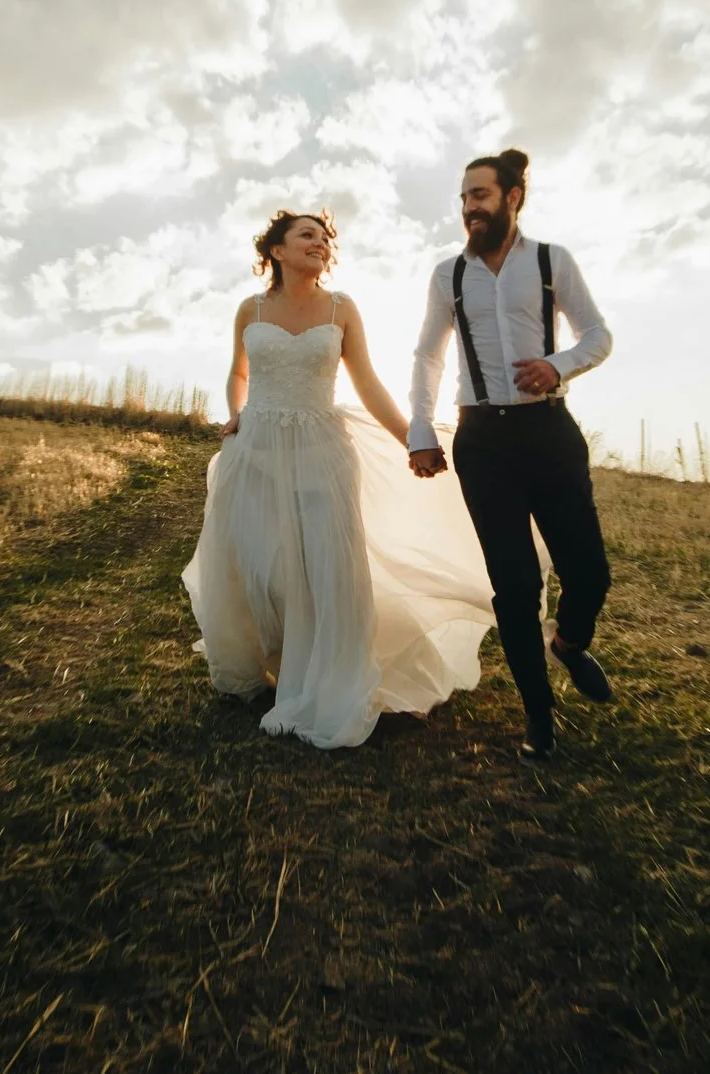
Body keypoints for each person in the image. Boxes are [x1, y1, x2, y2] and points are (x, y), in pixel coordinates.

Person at [182, 211, 496, 748]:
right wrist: (235, 410)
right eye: (307, 234)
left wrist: (413, 438)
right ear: (276, 251)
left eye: (325, 239)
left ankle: (329, 680)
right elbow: (239, 373)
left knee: (328, 567)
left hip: (322, 451)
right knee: (263, 565)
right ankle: (277, 662)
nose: (320, 244)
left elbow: (368, 382)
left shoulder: (341, 307)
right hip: (255, 449)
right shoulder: (250, 309)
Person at [407, 149, 616, 762]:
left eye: (481, 195)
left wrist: (557, 366)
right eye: (465, 197)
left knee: (589, 572)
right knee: (515, 586)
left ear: (512, 197)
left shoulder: (552, 262)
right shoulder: (448, 275)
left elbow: (598, 335)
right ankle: (539, 716)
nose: (470, 207)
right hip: (482, 442)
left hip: (549, 433)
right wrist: (422, 429)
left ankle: (570, 644)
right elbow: (427, 355)